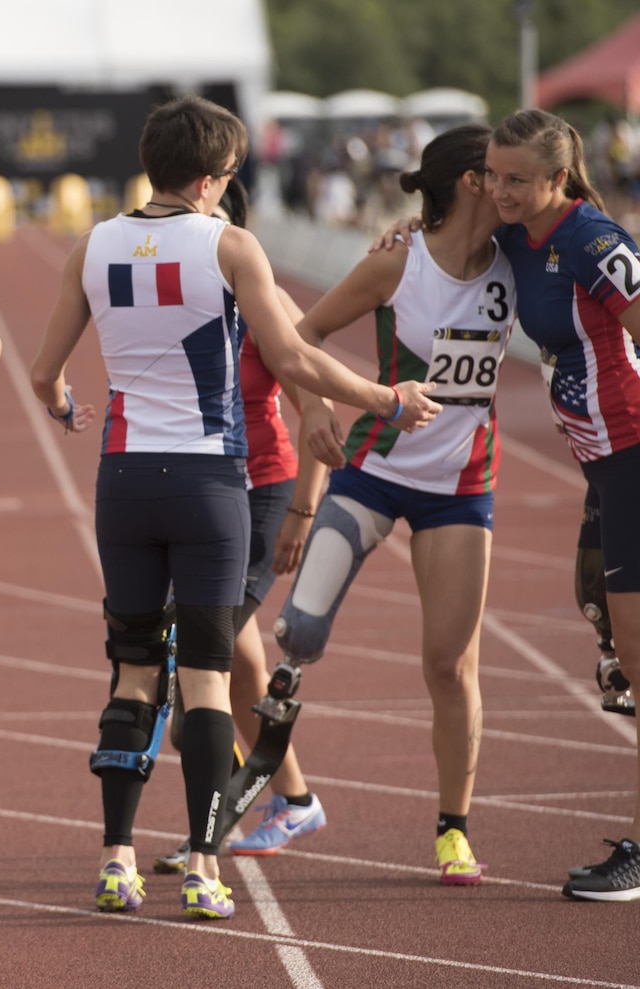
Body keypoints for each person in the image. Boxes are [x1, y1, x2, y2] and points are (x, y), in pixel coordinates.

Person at [28, 95, 440, 922]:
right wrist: (386, 397)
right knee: (209, 678)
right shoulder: (229, 243)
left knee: (133, 668)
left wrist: (66, 400)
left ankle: (115, 860)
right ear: (215, 179)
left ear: (151, 161)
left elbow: (44, 373)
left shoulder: (93, 246)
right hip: (211, 482)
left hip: (124, 477)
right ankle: (206, 868)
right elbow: (294, 357)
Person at [271, 123, 516, 888]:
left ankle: (453, 829)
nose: (515, 188)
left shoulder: (526, 259)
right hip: (375, 470)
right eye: (502, 174)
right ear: (473, 181)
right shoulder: (395, 264)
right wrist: (311, 409)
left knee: (450, 664)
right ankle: (273, 786)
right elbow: (298, 337)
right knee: (298, 629)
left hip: (463, 484)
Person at [482, 109, 640, 901]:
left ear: (556, 178)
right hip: (603, 464)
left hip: (636, 452)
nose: (498, 190)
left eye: (516, 178)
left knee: (638, 663)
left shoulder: (590, 240)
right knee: (602, 620)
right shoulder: (517, 233)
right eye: (492, 174)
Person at [154, 179, 329, 873]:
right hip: (198, 494)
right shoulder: (177, 301)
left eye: (214, 226)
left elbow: (319, 411)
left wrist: (302, 513)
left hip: (261, 495)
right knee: (239, 662)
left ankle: (231, 813)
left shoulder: (267, 302)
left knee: (201, 666)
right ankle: (290, 799)